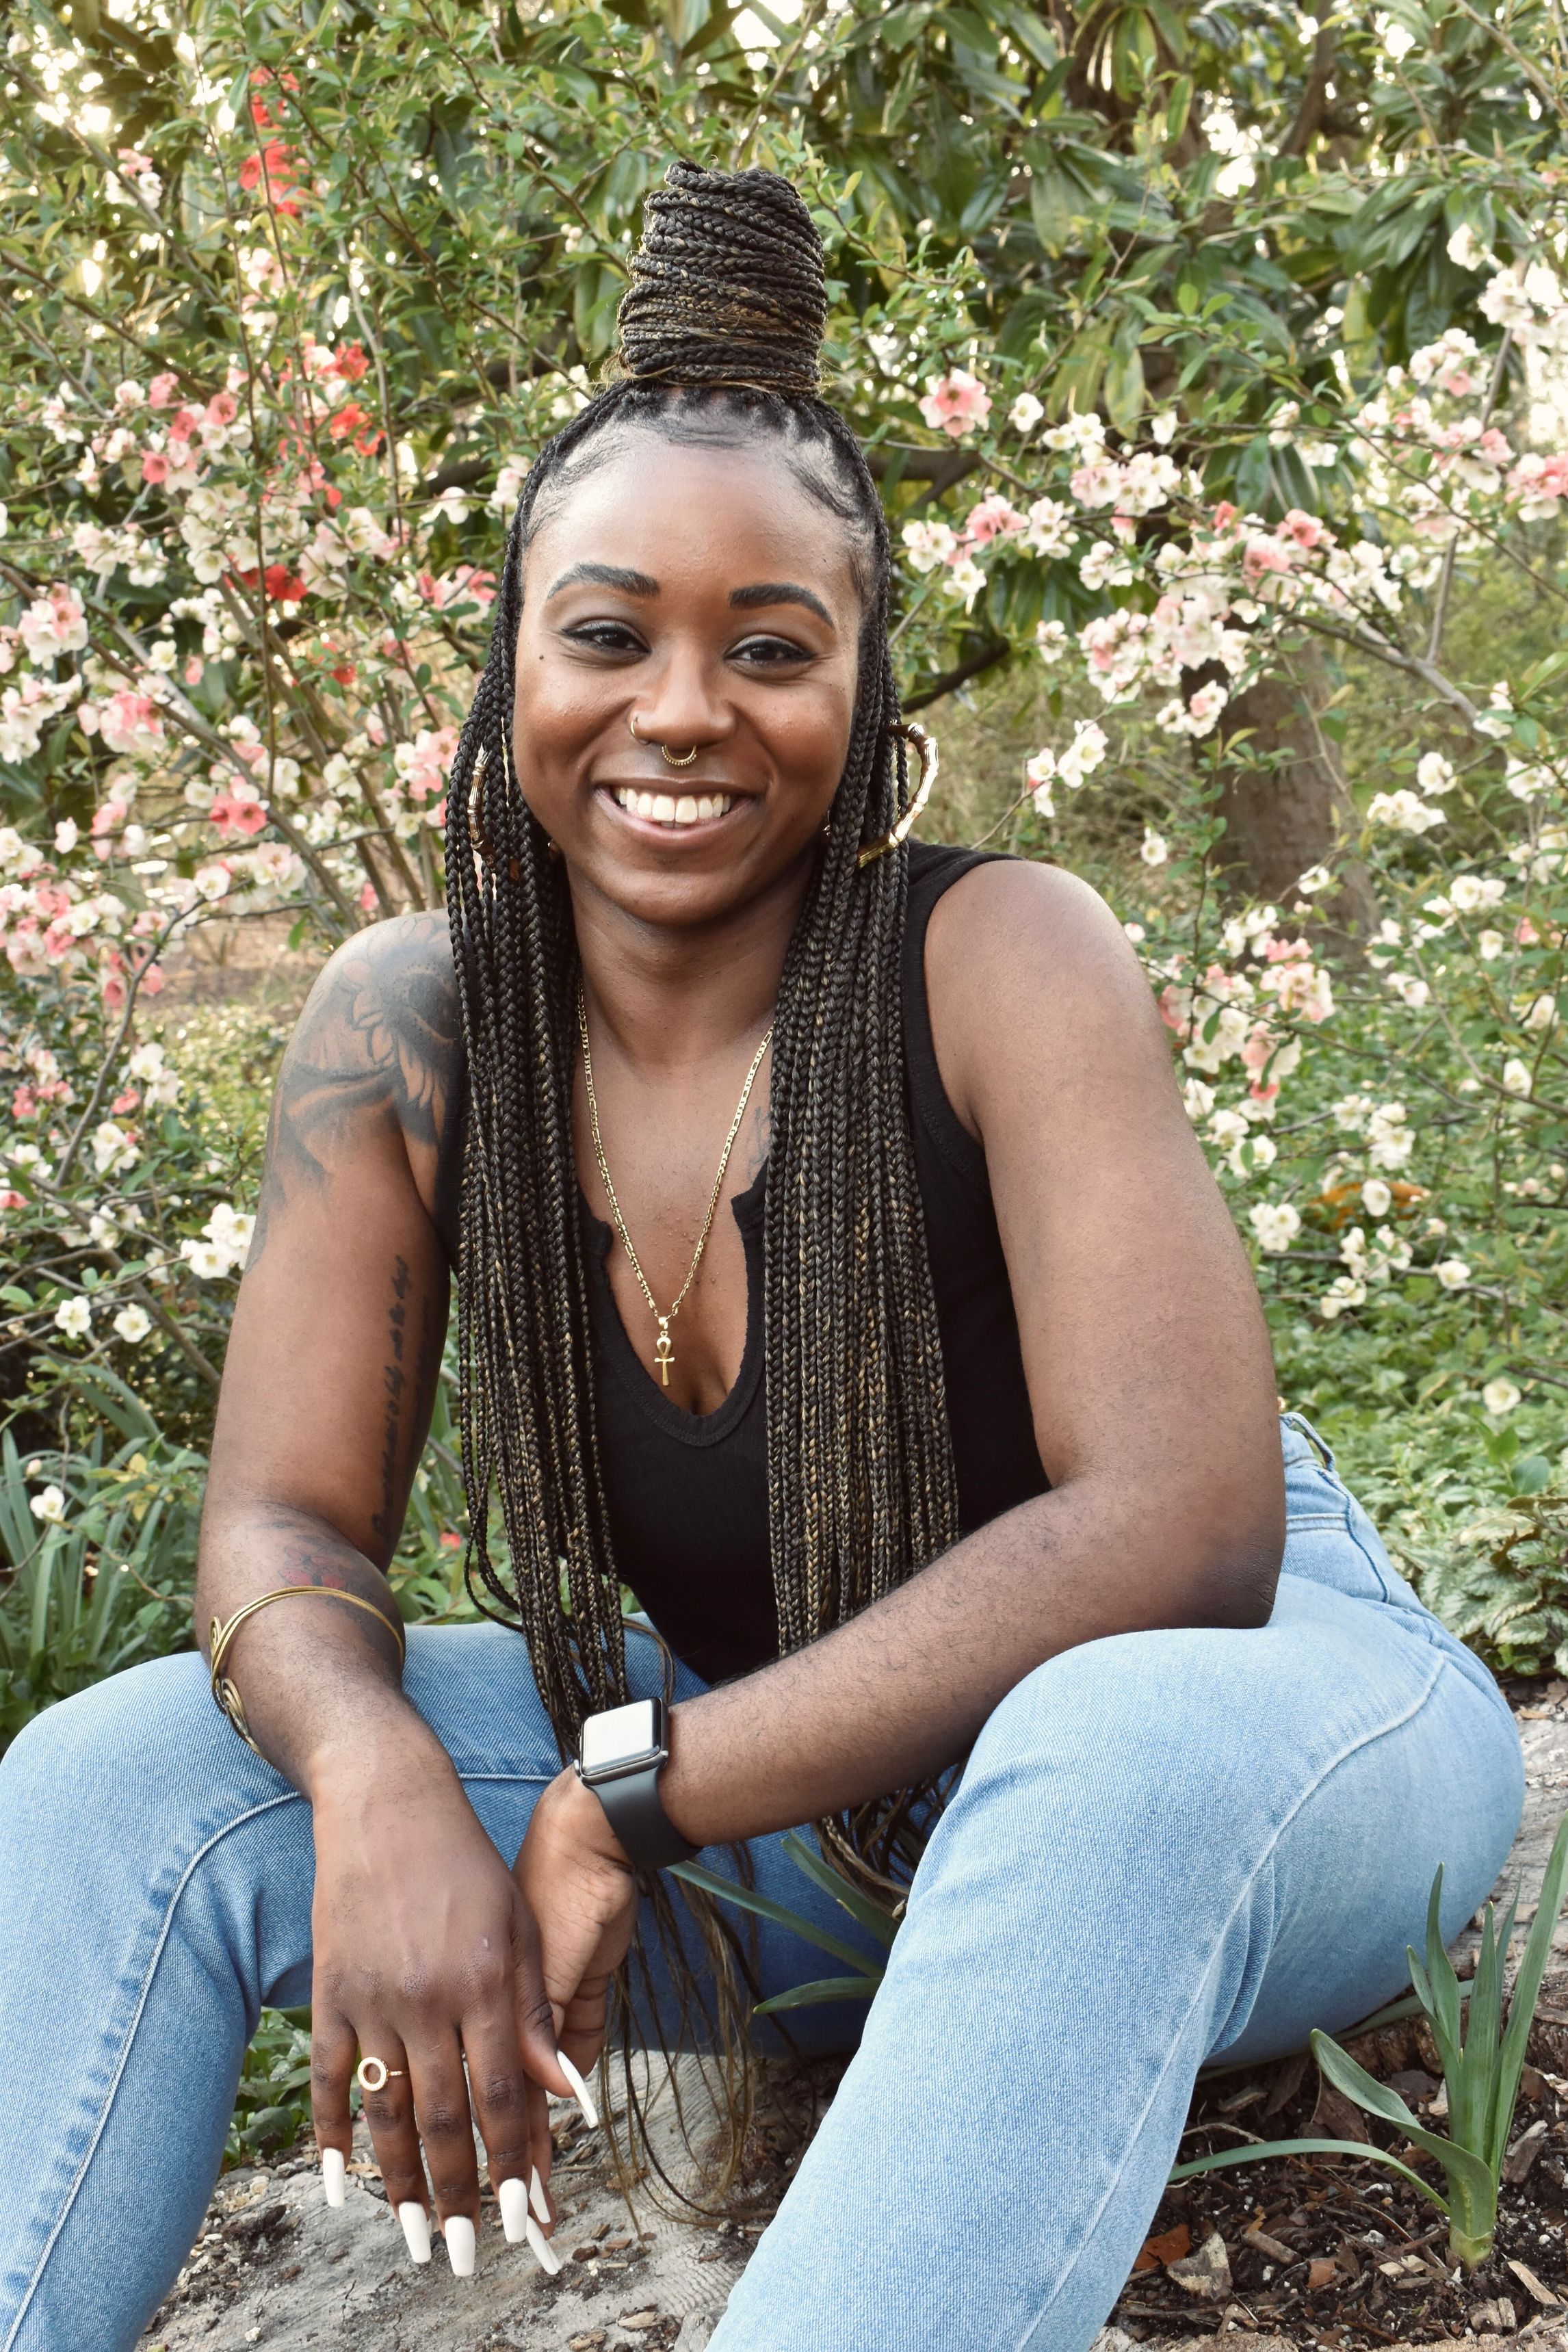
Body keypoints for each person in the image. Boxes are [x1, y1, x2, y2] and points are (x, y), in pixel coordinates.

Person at [0, 161, 1524, 2352]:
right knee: (113, 1782)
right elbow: (280, 1522)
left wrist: (630, 1796)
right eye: (608, 633)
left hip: (1243, 1759)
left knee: (1100, 1745)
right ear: (513, 666)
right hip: (800, 1811)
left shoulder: (997, 955)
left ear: (860, 689)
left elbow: (1178, 1527)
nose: (684, 709)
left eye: (770, 648)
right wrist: (373, 1776)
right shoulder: (411, 1027)